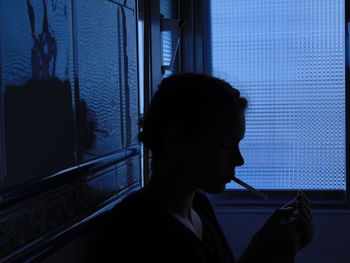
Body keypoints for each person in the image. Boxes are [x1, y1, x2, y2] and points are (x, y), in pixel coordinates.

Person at [89, 73, 314, 263]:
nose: (239, 160)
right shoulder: (138, 229)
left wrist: (268, 242)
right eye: (226, 145)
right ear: (177, 141)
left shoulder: (198, 206)